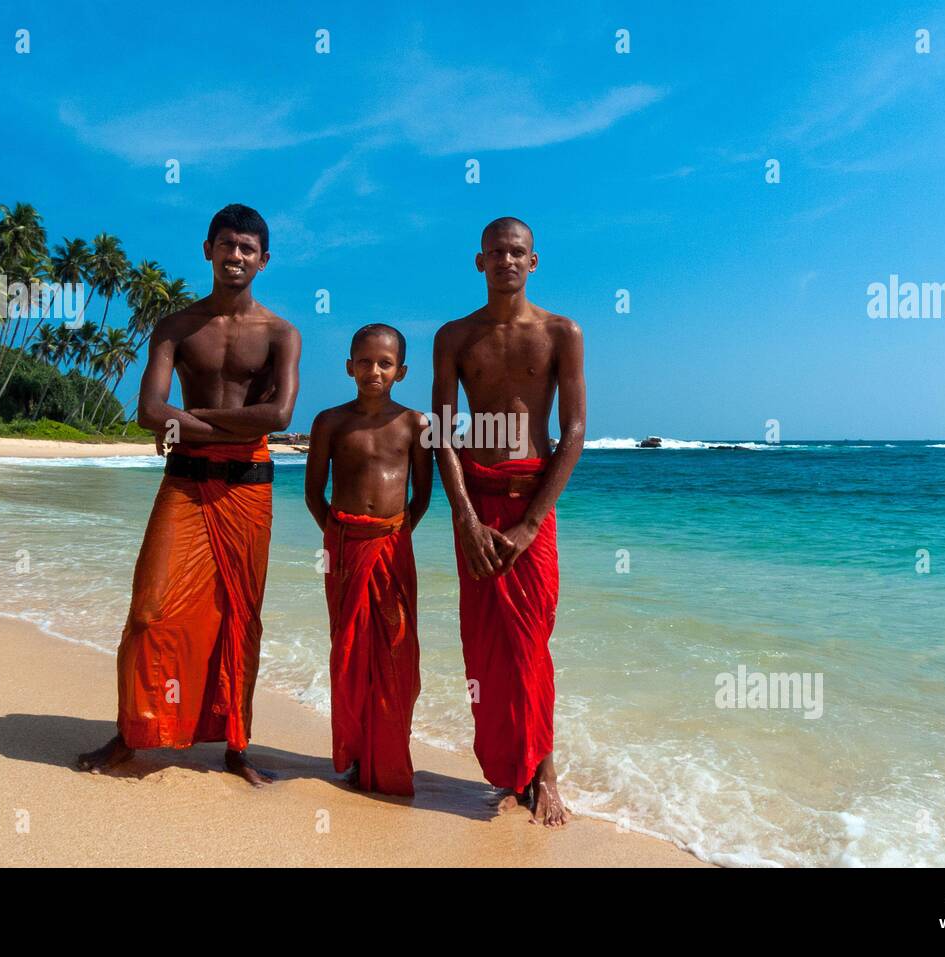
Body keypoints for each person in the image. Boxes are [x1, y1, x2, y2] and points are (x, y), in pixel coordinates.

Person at [77, 203, 301, 787]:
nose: (236, 256)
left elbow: (276, 416)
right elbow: (150, 411)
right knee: (150, 612)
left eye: (247, 249)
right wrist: (213, 422)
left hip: (247, 488)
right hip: (185, 479)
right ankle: (134, 733)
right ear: (208, 250)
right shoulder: (175, 327)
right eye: (226, 245)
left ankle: (235, 744)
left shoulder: (281, 334)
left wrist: (188, 417)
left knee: (239, 619)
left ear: (264, 260)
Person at [431, 217, 586, 827]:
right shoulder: (455, 336)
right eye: (495, 252)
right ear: (479, 263)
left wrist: (530, 524)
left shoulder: (561, 332)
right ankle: (509, 766)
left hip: (531, 501)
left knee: (531, 639)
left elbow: (573, 431)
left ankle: (542, 768)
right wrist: (465, 518)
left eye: (516, 252)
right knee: (485, 640)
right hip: (477, 493)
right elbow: (443, 432)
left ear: (533, 261)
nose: (506, 261)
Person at [304, 324, 432, 796]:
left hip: (394, 547)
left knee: (398, 651)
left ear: (401, 370)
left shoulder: (415, 424)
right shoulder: (329, 423)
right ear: (348, 366)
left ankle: (392, 753)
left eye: (384, 363)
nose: (373, 370)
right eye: (364, 361)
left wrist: (397, 535)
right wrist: (338, 537)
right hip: (344, 548)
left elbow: (422, 494)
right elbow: (313, 493)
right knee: (350, 651)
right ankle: (358, 755)